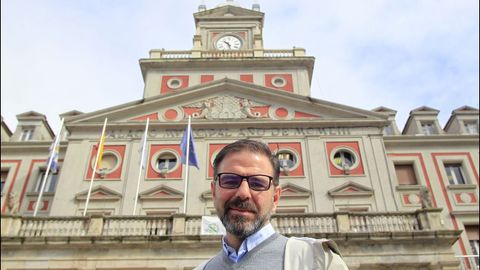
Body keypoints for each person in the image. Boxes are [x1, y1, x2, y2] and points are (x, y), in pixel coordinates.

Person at [195, 139, 348, 269]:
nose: (243, 193)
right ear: (214, 192)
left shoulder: (318, 261)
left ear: (275, 197)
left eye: (257, 183)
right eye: (230, 181)